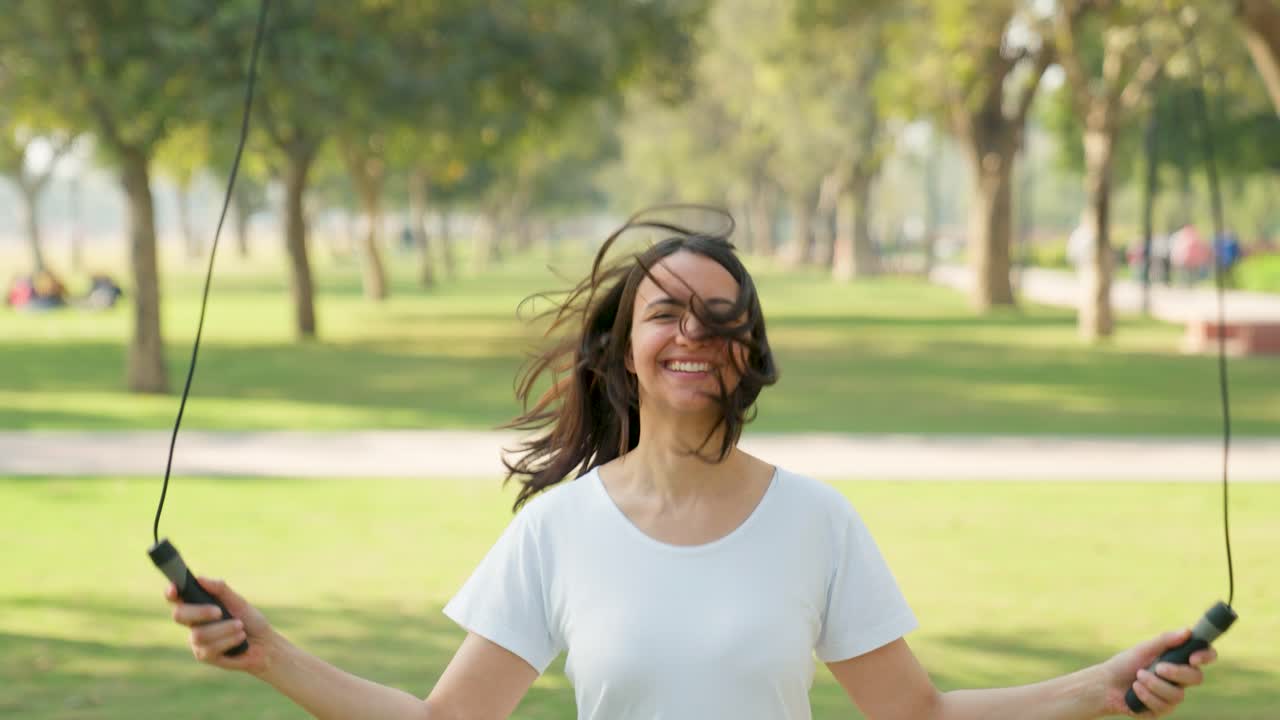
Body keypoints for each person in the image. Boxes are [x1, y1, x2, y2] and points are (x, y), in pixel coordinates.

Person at [164, 208, 1218, 719]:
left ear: (747, 353)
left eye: (720, 319)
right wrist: (267, 653)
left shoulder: (813, 520)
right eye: (666, 312)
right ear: (623, 344)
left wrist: (1100, 686)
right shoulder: (557, 531)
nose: (692, 336)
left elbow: (918, 716)